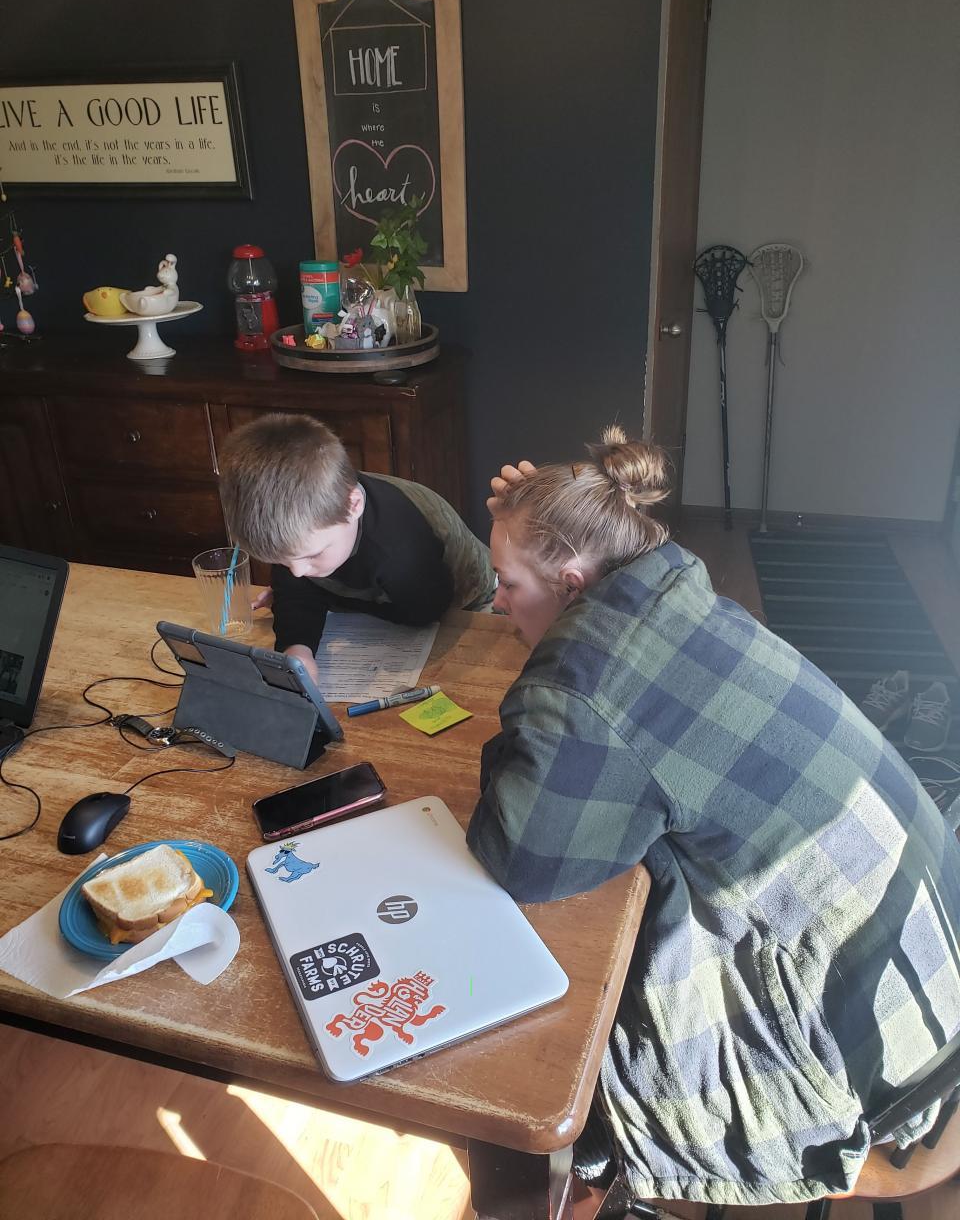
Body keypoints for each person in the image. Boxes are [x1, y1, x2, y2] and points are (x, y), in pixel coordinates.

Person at [467, 425, 960, 1208]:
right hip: (933, 941)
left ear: (570, 581)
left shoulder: (586, 685)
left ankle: (588, 1166)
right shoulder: (675, 598)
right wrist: (542, 514)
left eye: (506, 582)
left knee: (557, 1004)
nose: (496, 602)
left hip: (884, 1046)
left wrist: (526, 726)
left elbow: (522, 858)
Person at [218, 413, 495, 674]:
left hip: (468, 602)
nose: (297, 571)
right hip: (383, 596)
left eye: (312, 555)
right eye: (281, 561)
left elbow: (423, 613)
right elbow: (296, 588)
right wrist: (297, 649)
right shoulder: (314, 531)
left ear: (354, 506)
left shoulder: (399, 555)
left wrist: (325, 598)